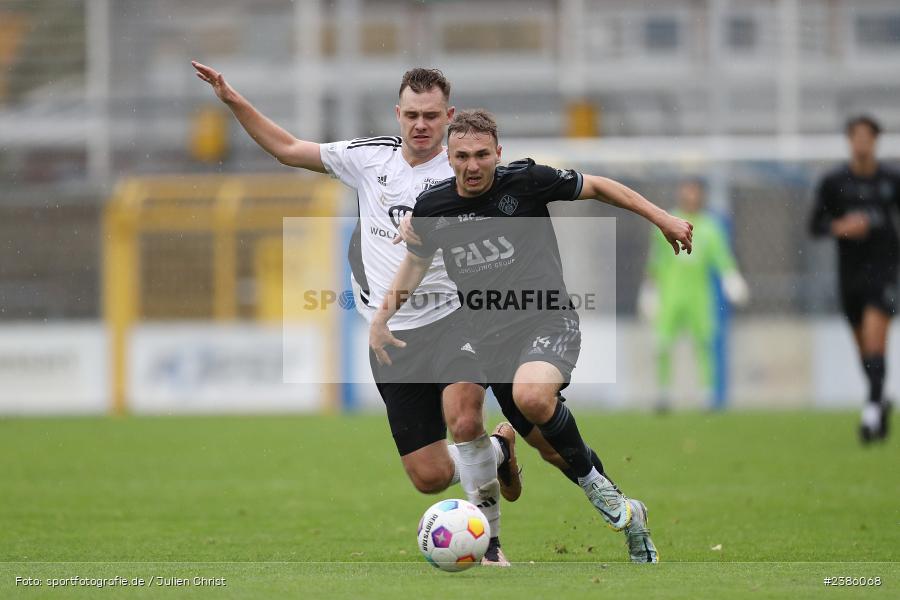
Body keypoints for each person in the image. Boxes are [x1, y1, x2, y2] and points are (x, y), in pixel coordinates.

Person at [192, 62, 519, 565]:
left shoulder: (464, 167)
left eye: (431, 115)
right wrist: (231, 99)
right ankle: (497, 451)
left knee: (463, 417)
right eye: (411, 114)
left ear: (448, 115)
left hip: (457, 318)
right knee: (429, 477)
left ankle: (492, 543)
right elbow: (287, 149)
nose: (421, 125)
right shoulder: (367, 159)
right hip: (392, 333)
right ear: (398, 113)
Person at [371, 109, 694, 562]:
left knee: (535, 405)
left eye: (482, 155)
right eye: (462, 156)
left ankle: (603, 500)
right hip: (484, 338)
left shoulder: (526, 182)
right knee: (491, 428)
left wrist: (663, 218)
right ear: (449, 156)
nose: (472, 165)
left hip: (546, 322)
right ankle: (517, 537)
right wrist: (381, 318)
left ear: (497, 154)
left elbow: (599, 186)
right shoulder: (433, 207)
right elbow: (416, 264)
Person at [809, 114, 898, 443]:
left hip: (885, 272)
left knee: (877, 341)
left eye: (867, 137)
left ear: (875, 141)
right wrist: (840, 227)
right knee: (864, 349)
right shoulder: (834, 182)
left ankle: (870, 415)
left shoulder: (892, 179)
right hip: (850, 274)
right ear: (850, 141)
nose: (861, 143)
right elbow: (815, 226)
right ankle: (880, 399)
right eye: (856, 136)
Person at [639, 179, 749, 411]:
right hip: (670, 294)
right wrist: (650, 289)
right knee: (662, 344)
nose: (690, 196)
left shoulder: (710, 227)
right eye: (686, 191)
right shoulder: (666, 222)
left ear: (701, 195)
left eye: (694, 192)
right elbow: (656, 259)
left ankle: (707, 394)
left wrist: (731, 276)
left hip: (699, 295)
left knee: (705, 343)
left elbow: (721, 257)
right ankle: (663, 393)